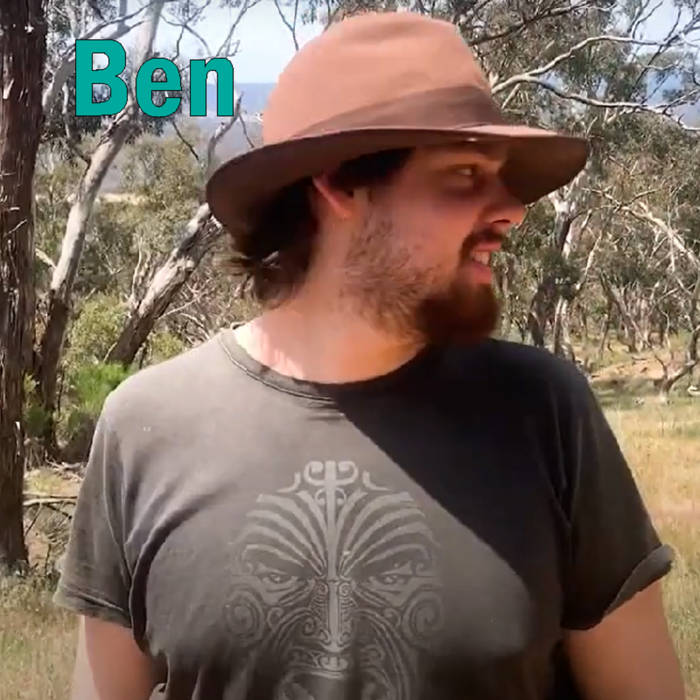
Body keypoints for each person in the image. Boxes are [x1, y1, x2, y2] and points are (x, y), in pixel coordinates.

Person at [55, 11, 685, 700]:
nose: (512, 209)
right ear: (339, 184)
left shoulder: (545, 413)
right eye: (465, 174)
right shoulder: (145, 428)